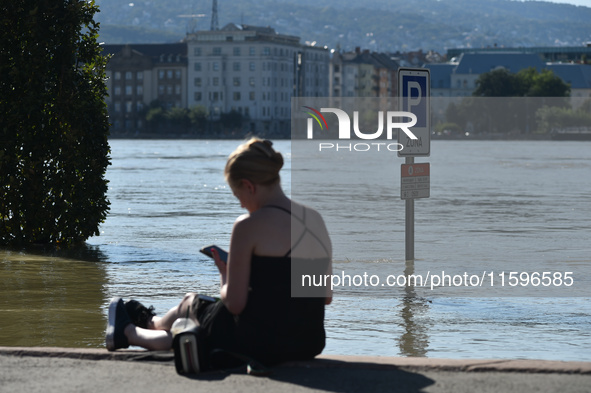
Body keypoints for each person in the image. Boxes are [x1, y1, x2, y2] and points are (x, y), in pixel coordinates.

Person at [106, 138, 332, 370]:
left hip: (259, 344)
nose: (242, 205)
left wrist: (225, 275)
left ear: (249, 186)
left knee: (192, 305)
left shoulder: (248, 226)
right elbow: (325, 296)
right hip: (308, 343)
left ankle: (134, 330)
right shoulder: (315, 220)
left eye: (238, 196)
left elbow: (234, 304)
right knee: (197, 323)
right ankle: (140, 327)